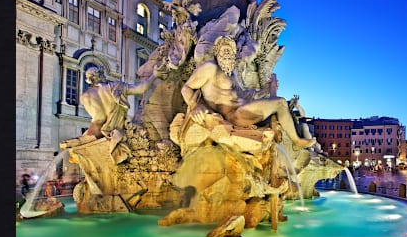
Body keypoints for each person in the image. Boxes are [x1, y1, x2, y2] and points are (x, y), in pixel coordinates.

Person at [181, 35, 316, 150]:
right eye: (224, 50)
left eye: (230, 51)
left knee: (280, 105)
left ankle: (295, 140)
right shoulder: (210, 68)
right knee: (280, 103)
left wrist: (266, 90)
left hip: (243, 109)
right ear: (217, 52)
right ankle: (296, 141)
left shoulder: (232, 74)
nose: (227, 53)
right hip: (234, 116)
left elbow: (245, 94)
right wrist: (194, 105)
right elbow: (186, 88)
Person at [63, 64, 162, 163]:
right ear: (101, 75)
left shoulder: (86, 95)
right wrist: (154, 75)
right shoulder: (116, 87)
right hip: (116, 131)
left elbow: (99, 119)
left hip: (98, 131)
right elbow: (141, 89)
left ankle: (79, 140)